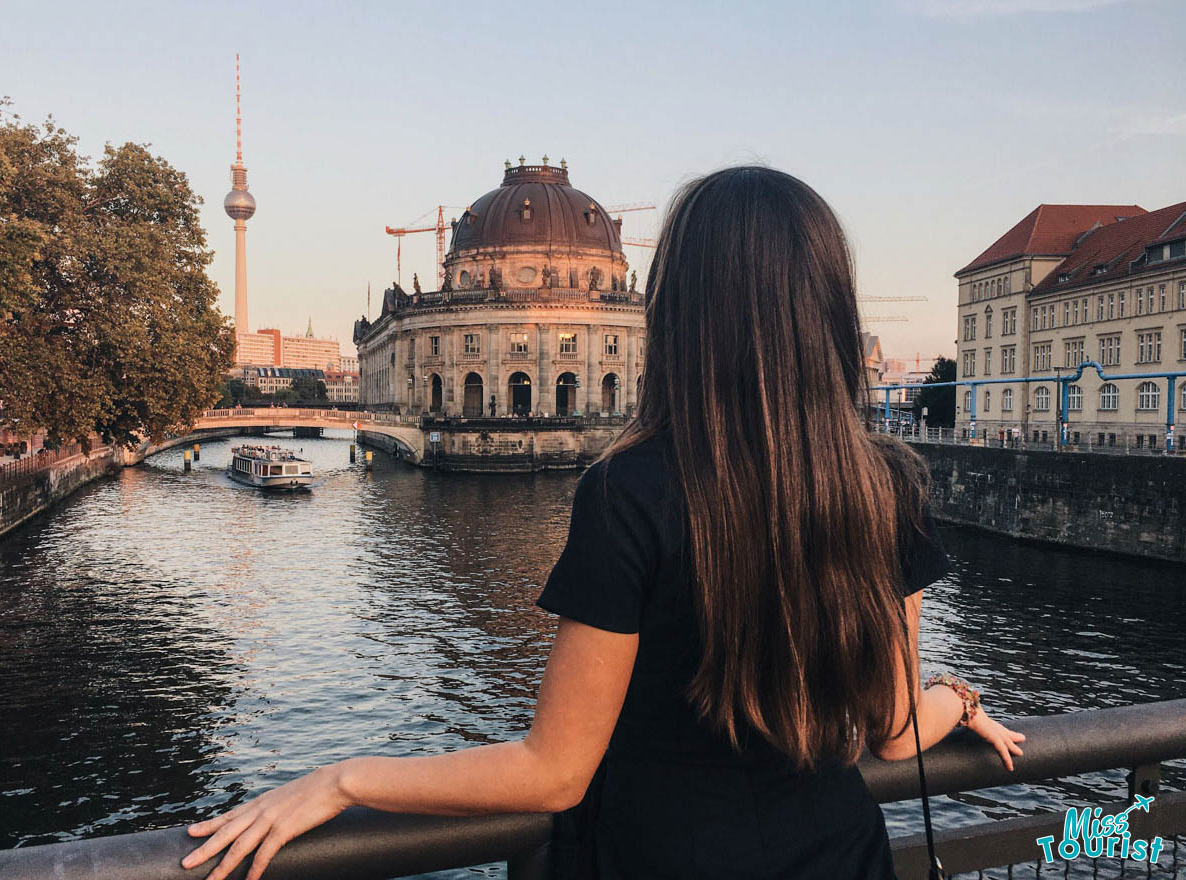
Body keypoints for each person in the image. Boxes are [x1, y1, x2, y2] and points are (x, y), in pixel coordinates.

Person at [182, 167, 1025, 880]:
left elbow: (554, 772)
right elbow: (895, 732)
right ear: (828, 309)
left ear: (680, 310)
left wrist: (342, 780)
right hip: (841, 856)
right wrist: (960, 696)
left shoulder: (630, 489)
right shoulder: (884, 485)